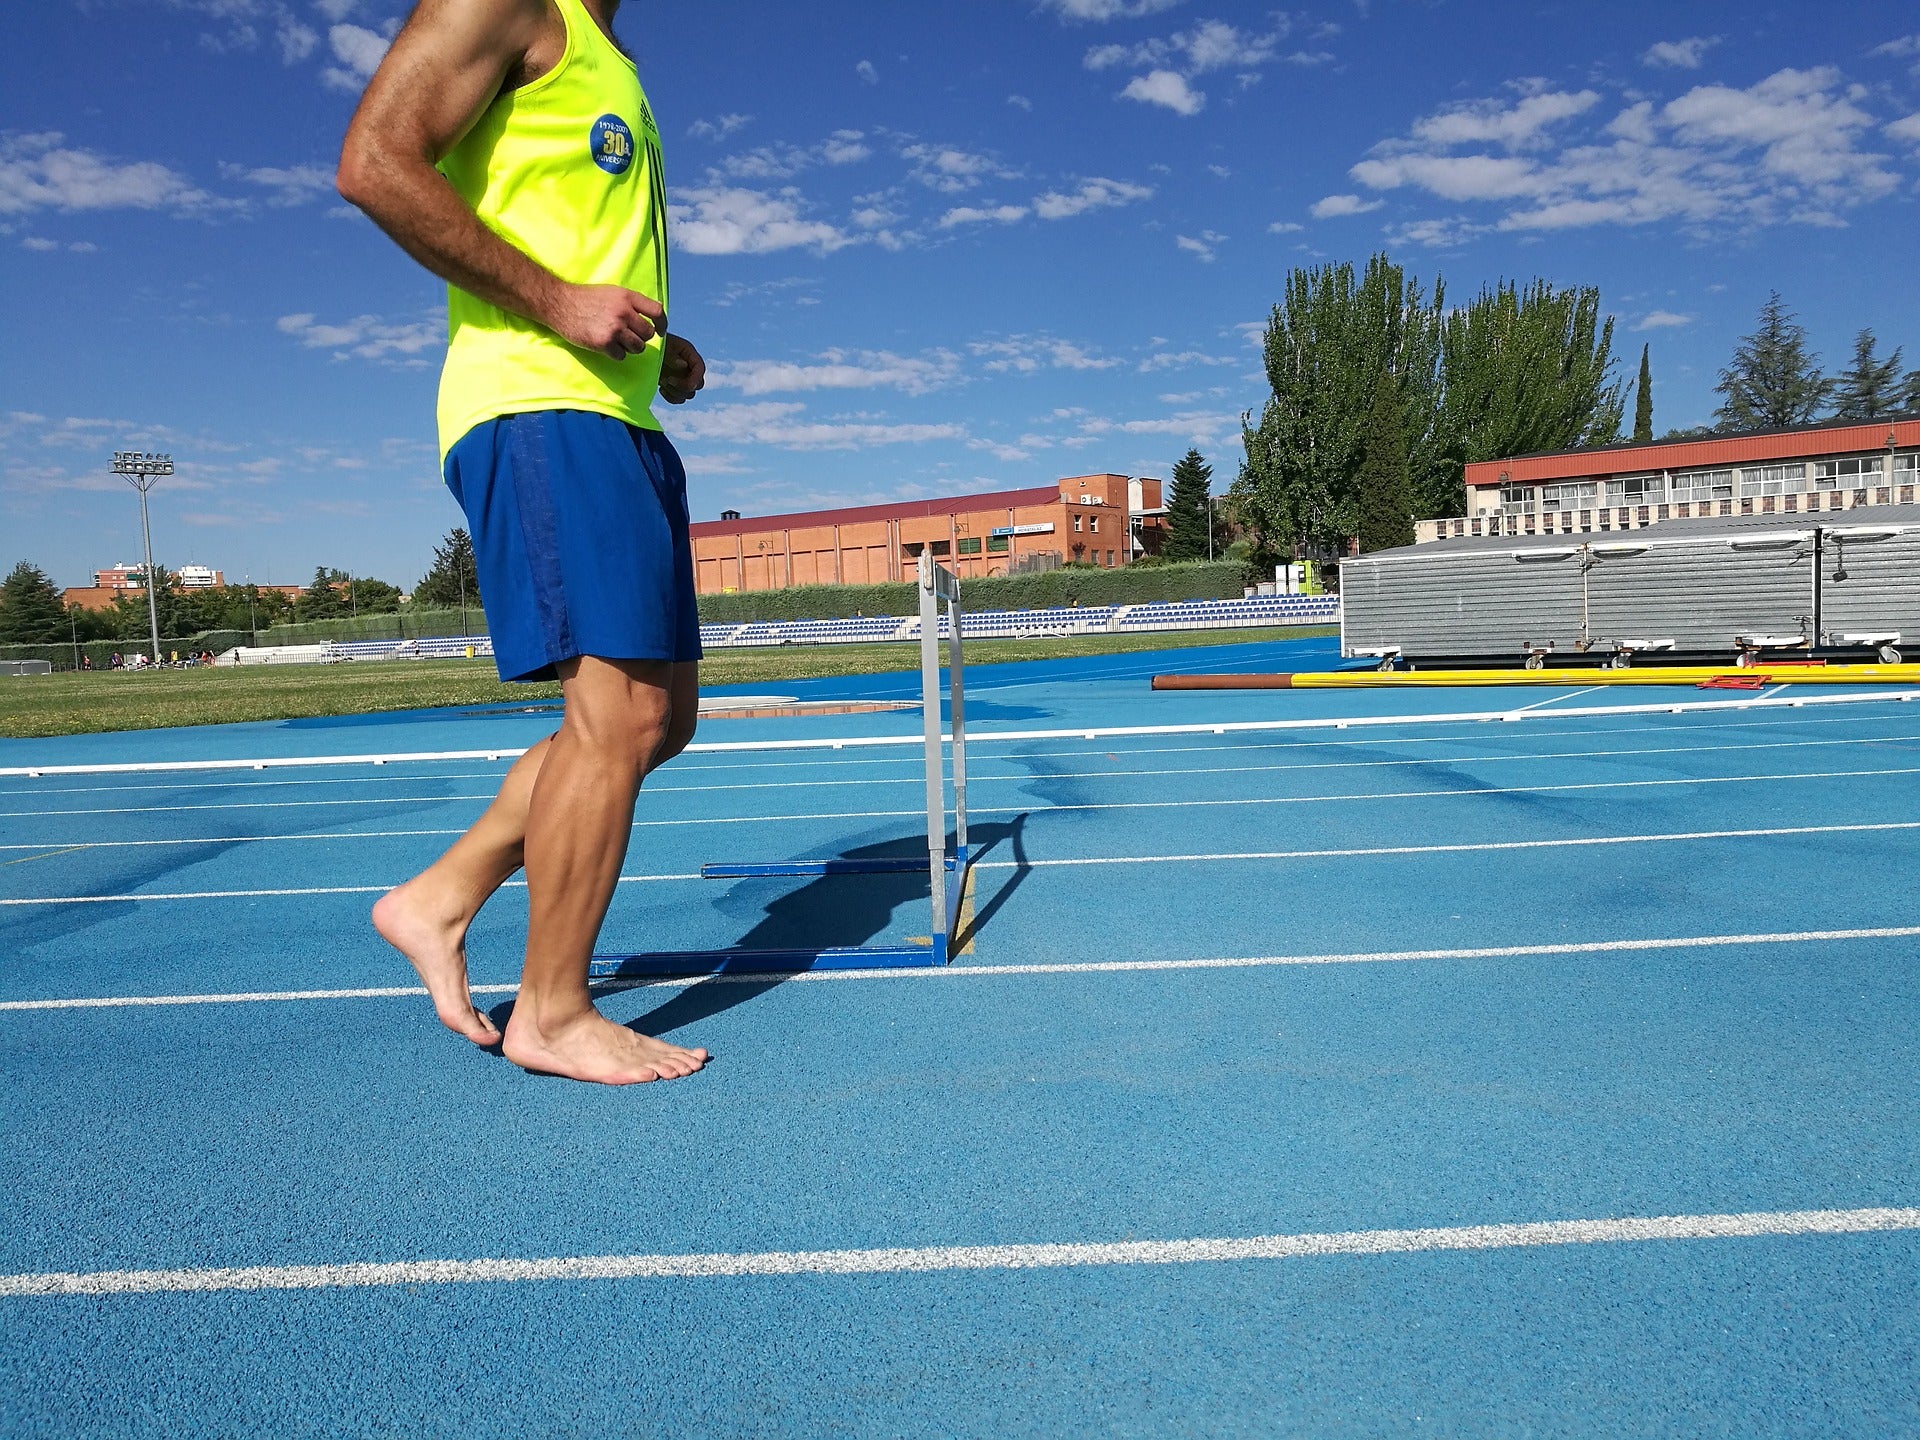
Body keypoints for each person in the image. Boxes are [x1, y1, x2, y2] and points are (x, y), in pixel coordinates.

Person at [339, 0, 709, 1085]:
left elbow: (571, 238)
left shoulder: (607, 54)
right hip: (541, 407)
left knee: (659, 723)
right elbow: (374, 162)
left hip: (616, 413)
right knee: (620, 712)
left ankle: (438, 898)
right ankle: (551, 1012)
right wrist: (557, 302)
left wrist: (654, 343)